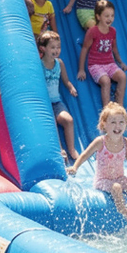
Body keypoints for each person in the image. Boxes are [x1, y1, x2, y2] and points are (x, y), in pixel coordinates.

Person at [66, 102, 127, 224]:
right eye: (113, 122)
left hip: (119, 178)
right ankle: (123, 210)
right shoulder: (100, 142)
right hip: (103, 180)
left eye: (121, 122)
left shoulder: (126, 143)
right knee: (116, 187)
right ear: (104, 125)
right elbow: (85, 154)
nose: (118, 126)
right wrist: (75, 167)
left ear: (126, 125)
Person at [38, 31, 80, 162]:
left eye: (58, 47)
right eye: (52, 47)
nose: (56, 50)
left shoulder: (59, 63)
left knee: (68, 120)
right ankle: (60, 150)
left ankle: (71, 149)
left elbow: (65, 80)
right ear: (43, 48)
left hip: (56, 102)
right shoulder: (39, 65)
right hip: (44, 103)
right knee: (52, 123)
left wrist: (70, 87)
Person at [77, 0, 127, 106]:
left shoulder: (113, 31)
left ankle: (120, 104)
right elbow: (85, 48)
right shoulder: (93, 31)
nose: (110, 19)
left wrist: (120, 62)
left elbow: (114, 48)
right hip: (95, 65)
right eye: (106, 16)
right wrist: (81, 69)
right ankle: (107, 108)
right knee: (106, 81)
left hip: (110, 63)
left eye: (112, 16)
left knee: (122, 77)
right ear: (98, 16)